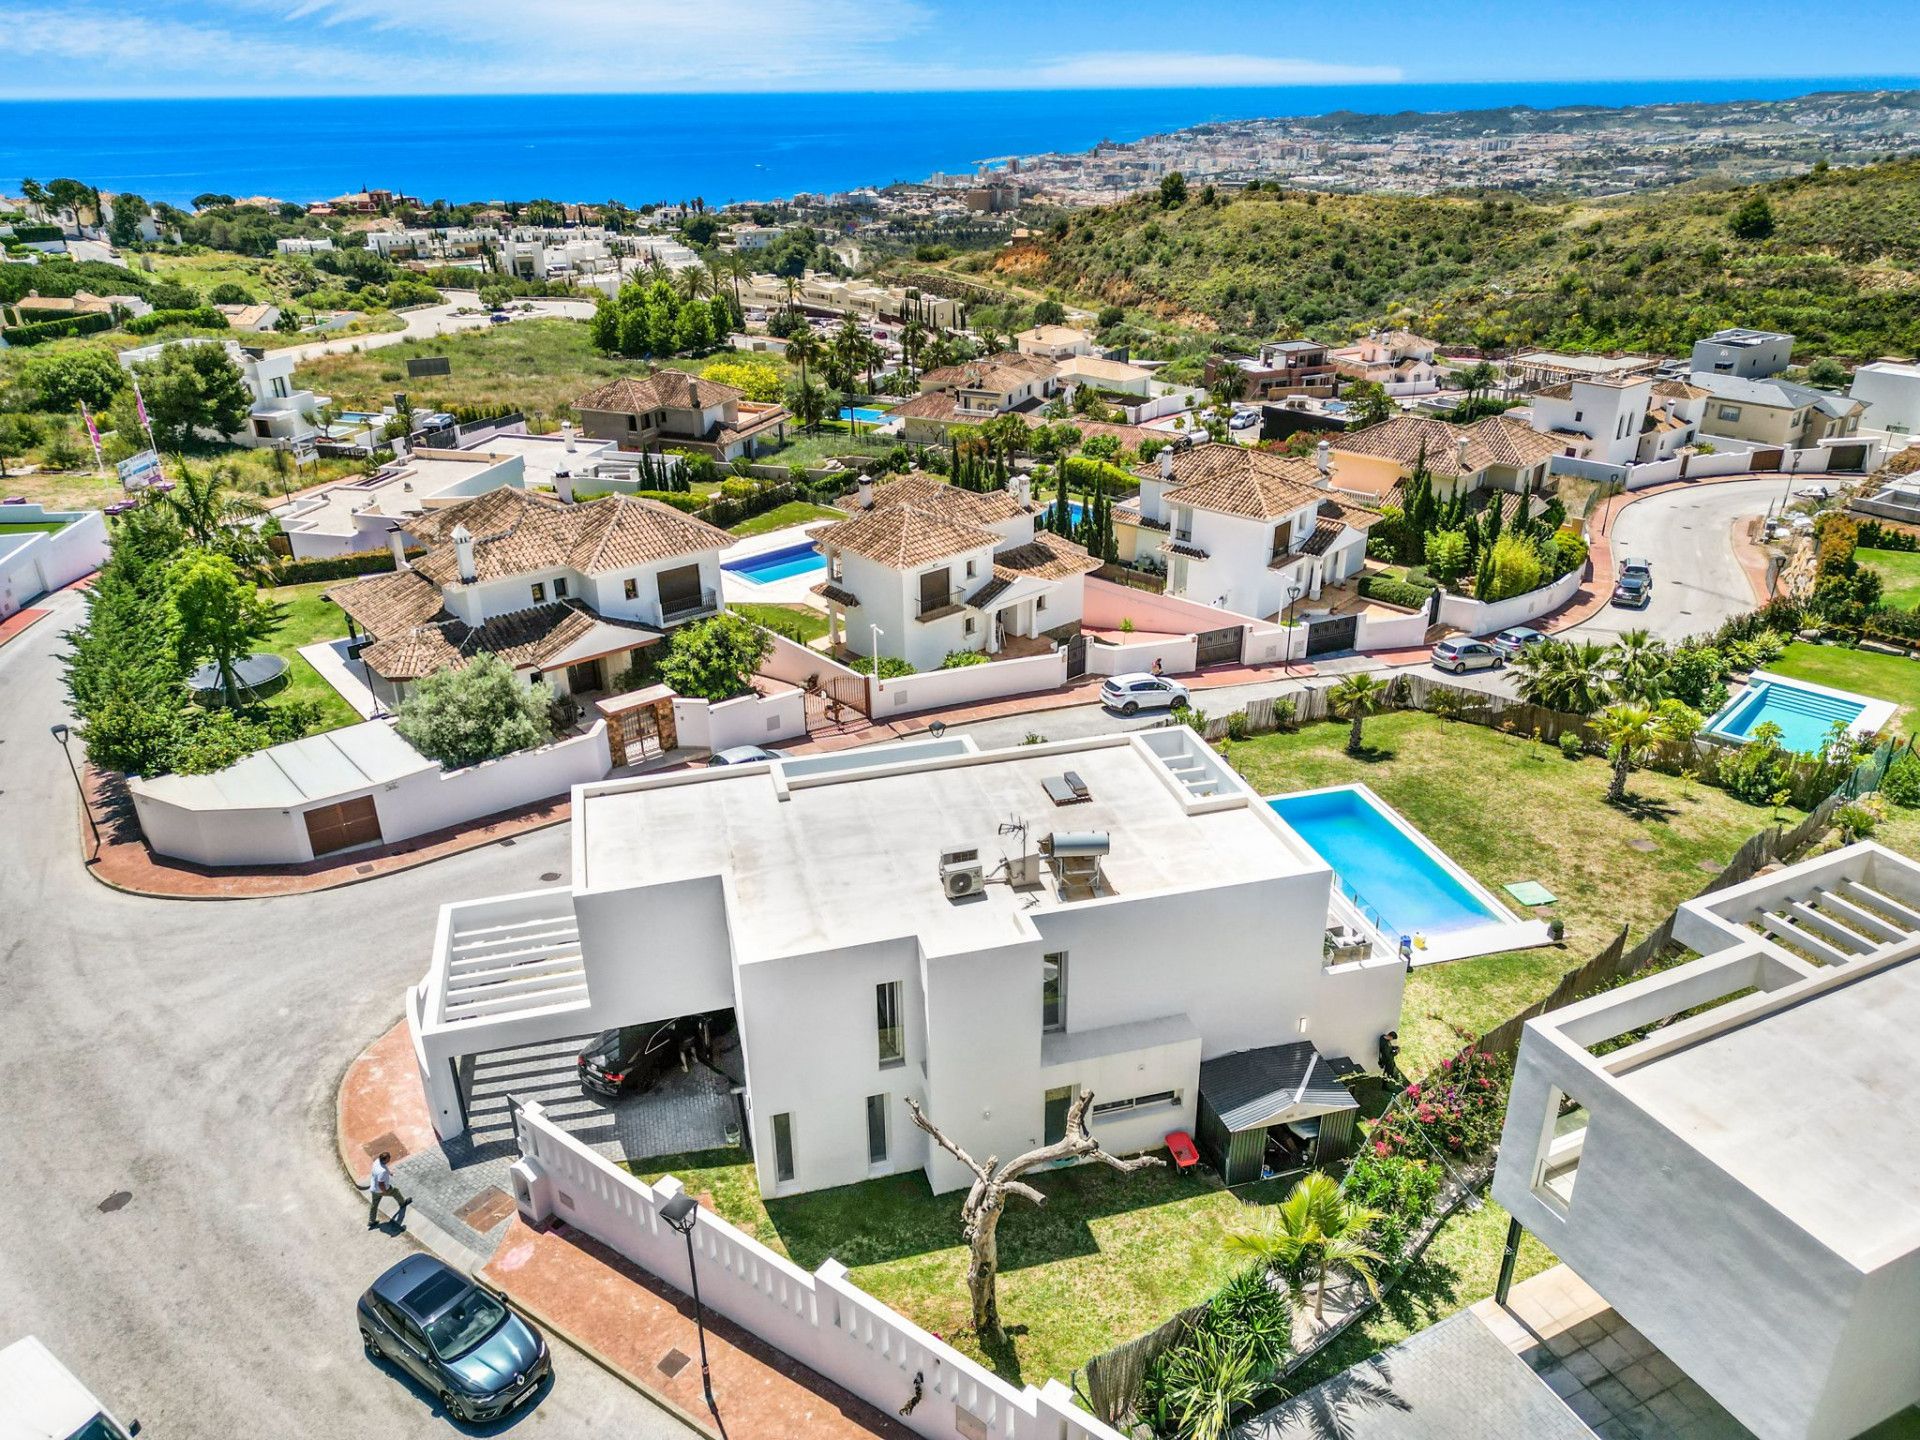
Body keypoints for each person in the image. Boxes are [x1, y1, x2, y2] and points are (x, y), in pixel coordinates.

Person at [368, 1152, 408, 1227]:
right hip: (382, 1189)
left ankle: (371, 1221)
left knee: (374, 1205)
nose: (390, 1159)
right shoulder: (382, 1172)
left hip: (373, 1189)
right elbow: (381, 1183)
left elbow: (384, 1168)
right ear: (385, 1160)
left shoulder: (377, 1161)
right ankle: (402, 1203)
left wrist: (389, 1173)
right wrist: (385, 1192)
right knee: (396, 1192)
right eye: (389, 1158)